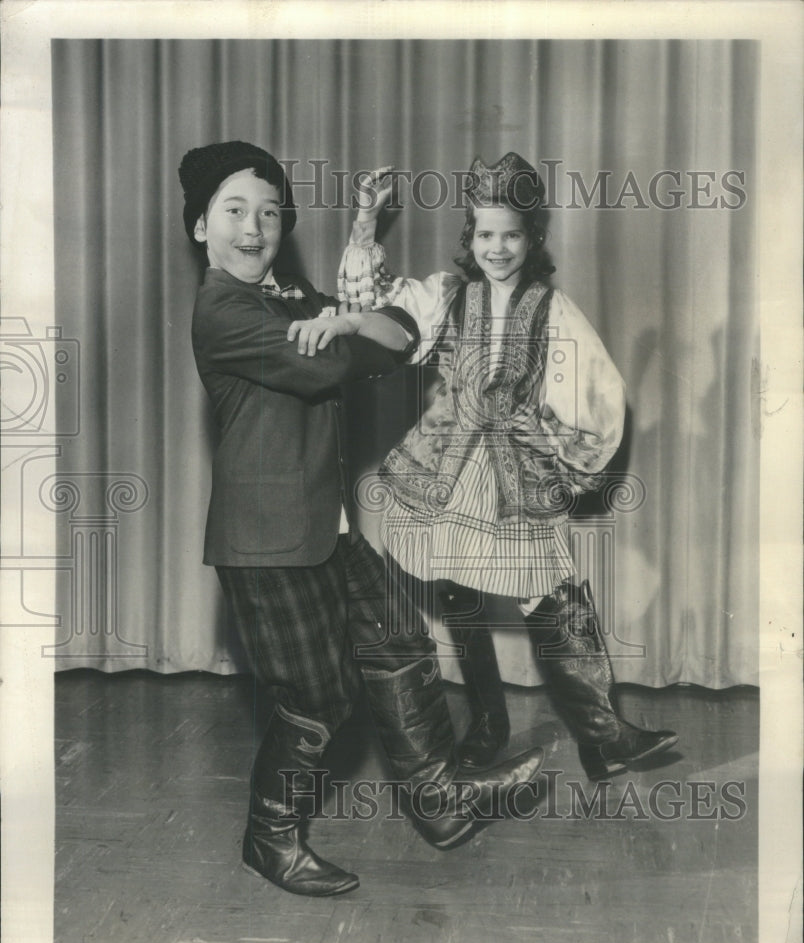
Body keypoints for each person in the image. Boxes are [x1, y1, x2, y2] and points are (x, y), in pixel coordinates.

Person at [177, 141, 544, 899]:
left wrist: (356, 273)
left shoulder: (287, 295)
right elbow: (337, 361)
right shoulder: (222, 308)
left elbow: (386, 349)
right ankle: (269, 837)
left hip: (325, 521)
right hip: (267, 540)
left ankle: (442, 802)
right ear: (199, 228)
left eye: (270, 212)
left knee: (397, 642)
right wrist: (354, 330)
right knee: (316, 699)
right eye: (235, 211)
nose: (255, 227)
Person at [337, 152, 678, 781]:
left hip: (509, 474)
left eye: (512, 234)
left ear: (533, 238)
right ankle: (490, 726)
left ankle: (603, 737)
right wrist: (365, 220)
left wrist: (551, 436)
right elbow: (373, 309)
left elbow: (602, 395)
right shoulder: (446, 296)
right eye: (486, 234)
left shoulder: (553, 308)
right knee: (455, 595)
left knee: (550, 591)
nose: (498, 248)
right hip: (441, 467)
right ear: (471, 236)